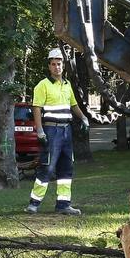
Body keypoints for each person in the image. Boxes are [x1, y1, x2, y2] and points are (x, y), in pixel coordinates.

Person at [25, 48, 89, 216]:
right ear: (49, 66)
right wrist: (40, 131)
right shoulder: (42, 85)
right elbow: (36, 108)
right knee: (47, 167)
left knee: (66, 168)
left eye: (59, 64)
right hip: (51, 130)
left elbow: (73, 105)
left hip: (66, 131)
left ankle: (63, 204)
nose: (56, 67)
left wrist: (83, 118)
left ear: (63, 66)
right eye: (53, 64)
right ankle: (34, 203)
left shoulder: (67, 85)